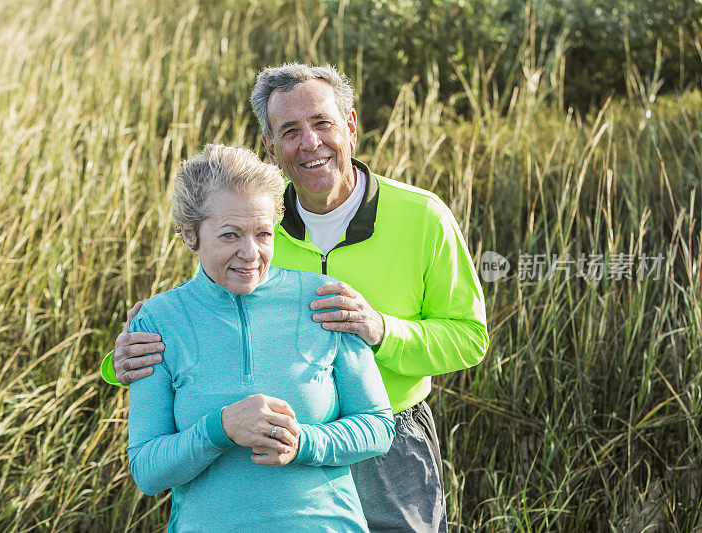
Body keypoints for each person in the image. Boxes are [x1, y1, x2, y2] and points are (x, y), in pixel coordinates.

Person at [107, 64, 489, 532]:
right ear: (271, 148)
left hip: (389, 437)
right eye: (290, 131)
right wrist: (120, 360)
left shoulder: (424, 217)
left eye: (322, 123)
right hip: (255, 461)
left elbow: (470, 337)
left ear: (350, 127)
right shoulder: (252, 215)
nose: (309, 143)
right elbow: (205, 327)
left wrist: (382, 330)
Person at [126, 143, 395, 532]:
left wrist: (303, 442)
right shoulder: (158, 321)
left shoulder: (325, 299)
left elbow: (377, 426)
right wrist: (219, 429)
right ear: (190, 234)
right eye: (231, 235)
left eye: (263, 234)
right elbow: (147, 470)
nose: (250, 253)